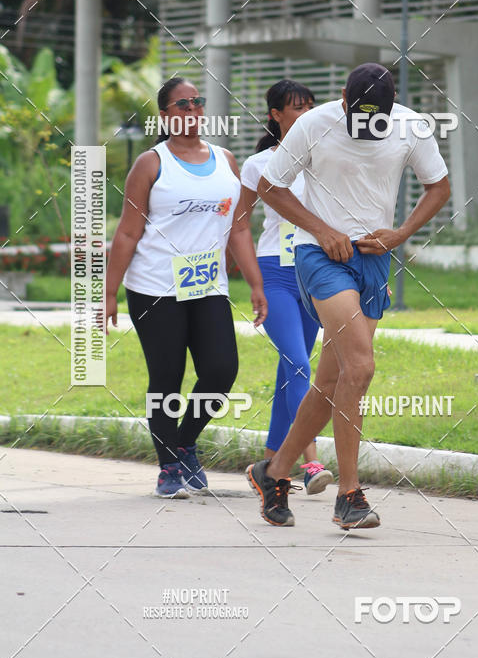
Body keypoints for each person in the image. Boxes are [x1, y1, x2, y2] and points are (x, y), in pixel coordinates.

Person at [246, 63, 450, 529]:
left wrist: (402, 234)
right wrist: (321, 229)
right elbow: (269, 187)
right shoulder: (314, 125)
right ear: (343, 97)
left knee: (333, 379)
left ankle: (274, 471)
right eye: (359, 116)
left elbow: (438, 187)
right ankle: (350, 495)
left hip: (375, 258)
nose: (367, 127)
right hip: (319, 256)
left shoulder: (410, 126)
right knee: (361, 366)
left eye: (376, 119)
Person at [105, 76, 267, 498]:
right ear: (165, 115)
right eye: (183, 105)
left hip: (207, 285)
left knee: (220, 369)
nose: (193, 110)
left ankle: (184, 440)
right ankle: (167, 467)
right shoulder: (151, 163)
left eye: (198, 103)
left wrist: (255, 283)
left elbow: (239, 229)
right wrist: (109, 292)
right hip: (155, 286)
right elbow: (126, 233)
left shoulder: (226, 159)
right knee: (166, 377)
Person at [240, 80, 333, 495]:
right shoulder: (258, 164)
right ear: (276, 115)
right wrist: (253, 283)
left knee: (288, 372)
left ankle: (269, 464)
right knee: (298, 364)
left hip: (312, 273)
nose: (307, 114)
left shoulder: (325, 160)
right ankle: (311, 462)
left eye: (312, 107)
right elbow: (239, 224)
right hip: (274, 273)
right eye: (298, 108)